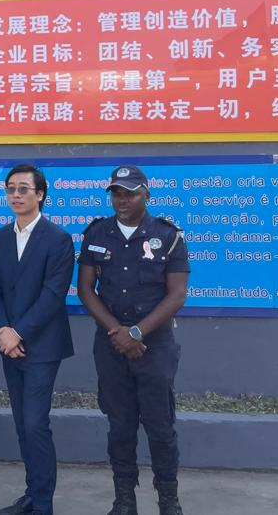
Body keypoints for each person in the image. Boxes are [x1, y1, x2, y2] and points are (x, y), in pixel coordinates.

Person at [77, 165, 190, 515]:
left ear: (146, 195)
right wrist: (118, 332)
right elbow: (86, 290)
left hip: (154, 346)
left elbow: (177, 294)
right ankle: (124, 500)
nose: (122, 199)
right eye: (116, 193)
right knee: (120, 426)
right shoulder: (97, 233)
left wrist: (137, 333)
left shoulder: (168, 236)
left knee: (160, 426)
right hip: (112, 345)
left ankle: (168, 500)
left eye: (130, 193)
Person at [0, 164, 75, 515]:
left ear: (40, 194)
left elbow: (53, 295)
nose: (16, 195)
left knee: (35, 423)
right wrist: (2, 329)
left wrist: (18, 332)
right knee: (22, 424)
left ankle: (43, 504)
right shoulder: (0, 237)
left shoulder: (58, 238)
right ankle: (31, 493)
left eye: (23, 189)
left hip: (41, 346)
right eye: (11, 189)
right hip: (10, 345)